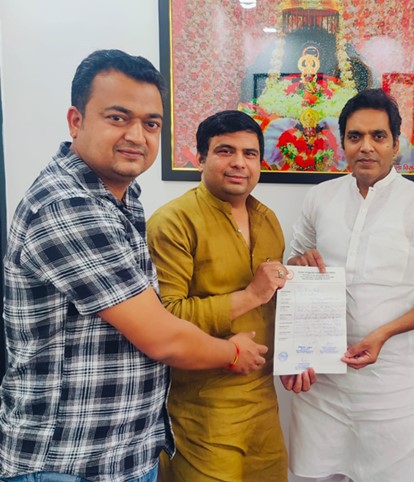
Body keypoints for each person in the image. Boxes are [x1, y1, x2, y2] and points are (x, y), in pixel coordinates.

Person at [0, 50, 268, 482]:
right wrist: (233, 351)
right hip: (71, 459)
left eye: (151, 123)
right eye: (117, 118)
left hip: (126, 449)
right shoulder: (69, 204)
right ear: (75, 121)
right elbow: (163, 334)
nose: (136, 136)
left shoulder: (122, 197)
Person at [283, 88, 414, 482]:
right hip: (323, 388)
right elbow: (293, 266)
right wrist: (298, 265)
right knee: (320, 475)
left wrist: (384, 333)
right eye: (355, 136)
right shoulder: (320, 198)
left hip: (394, 391)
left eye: (378, 136)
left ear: (395, 144)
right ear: (342, 143)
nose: (366, 146)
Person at [146, 110, 290, 482]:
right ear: (201, 158)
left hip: (264, 398)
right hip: (201, 406)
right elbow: (164, 318)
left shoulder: (268, 220)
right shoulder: (173, 222)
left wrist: (301, 353)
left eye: (250, 153)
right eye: (225, 151)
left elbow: (275, 301)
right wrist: (250, 295)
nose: (239, 162)